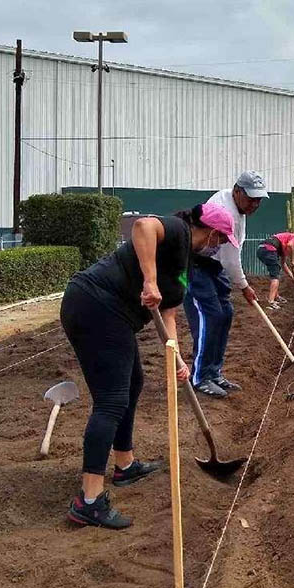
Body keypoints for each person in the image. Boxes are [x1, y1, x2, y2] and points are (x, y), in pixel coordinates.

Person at [61, 203, 239, 529]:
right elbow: (142, 226)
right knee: (111, 400)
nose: (219, 248)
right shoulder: (177, 230)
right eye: (221, 241)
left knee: (132, 384)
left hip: (114, 315)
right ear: (212, 233)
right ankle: (89, 501)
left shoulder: (185, 261)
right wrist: (150, 279)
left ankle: (125, 465)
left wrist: (177, 360)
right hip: (95, 304)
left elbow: (169, 315)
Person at [183, 171, 268, 398]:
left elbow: (230, 256)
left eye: (259, 199)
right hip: (196, 265)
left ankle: (214, 372)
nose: (255, 204)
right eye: (251, 198)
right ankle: (200, 377)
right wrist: (244, 286)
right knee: (209, 316)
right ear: (237, 191)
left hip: (213, 266)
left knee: (225, 313)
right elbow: (232, 259)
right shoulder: (226, 211)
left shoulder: (238, 207)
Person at [256, 231, 294, 309]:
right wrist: (292, 260)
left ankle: (276, 296)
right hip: (269, 249)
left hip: (261, 249)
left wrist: (293, 278)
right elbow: (290, 245)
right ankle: (271, 302)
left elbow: (283, 264)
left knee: (275, 271)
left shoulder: (284, 243)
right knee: (275, 277)